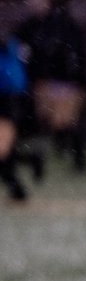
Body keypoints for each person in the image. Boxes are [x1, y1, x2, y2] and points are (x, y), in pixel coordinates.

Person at [15, 0, 86, 172]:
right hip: (41, 84)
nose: (30, 0)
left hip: (66, 83)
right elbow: (19, 51)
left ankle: (81, 158)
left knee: (63, 123)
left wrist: (75, 79)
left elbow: (75, 54)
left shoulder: (63, 24)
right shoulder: (27, 27)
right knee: (49, 123)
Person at [0, 31, 43, 202]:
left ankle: (18, 189)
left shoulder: (9, 49)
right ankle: (30, 163)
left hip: (6, 104)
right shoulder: (13, 46)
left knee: (4, 154)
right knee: (6, 153)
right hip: (13, 103)